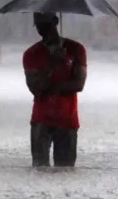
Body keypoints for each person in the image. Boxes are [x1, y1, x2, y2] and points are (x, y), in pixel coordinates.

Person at [23, 11, 87, 167]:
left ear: (55, 21)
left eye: (44, 24)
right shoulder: (31, 54)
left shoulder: (76, 49)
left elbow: (79, 84)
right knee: (39, 170)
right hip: (41, 120)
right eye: (37, 25)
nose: (41, 29)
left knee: (65, 171)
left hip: (67, 120)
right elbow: (36, 89)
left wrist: (53, 86)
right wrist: (52, 63)